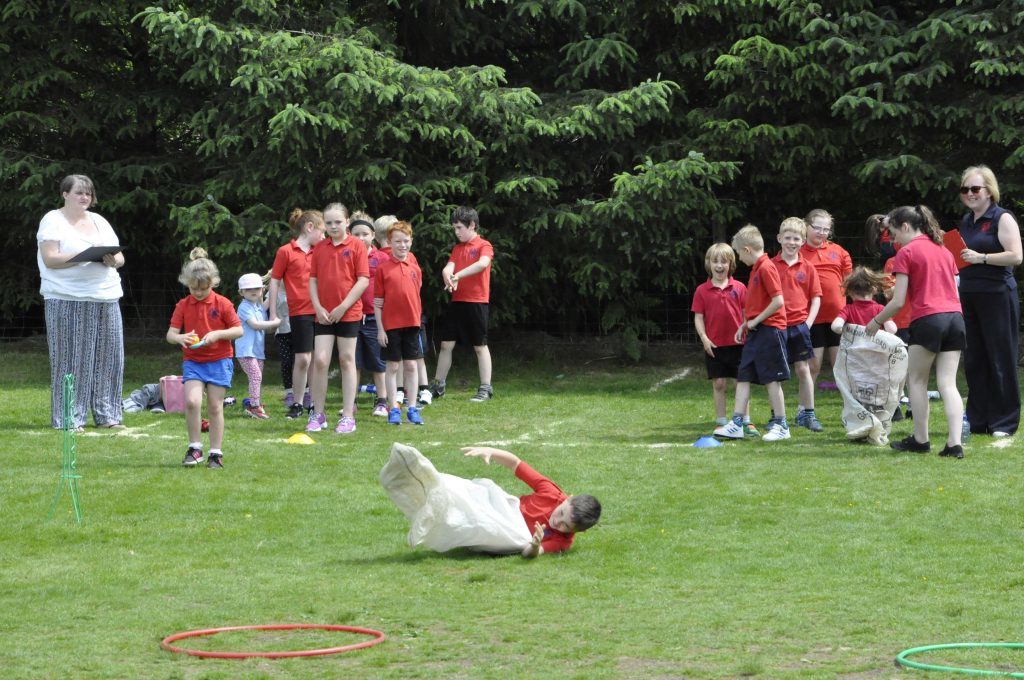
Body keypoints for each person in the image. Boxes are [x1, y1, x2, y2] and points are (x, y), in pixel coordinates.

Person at [380, 443, 602, 557]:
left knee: (480, 525)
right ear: (567, 499)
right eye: (561, 514)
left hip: (509, 531)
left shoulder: (563, 541)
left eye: (565, 526)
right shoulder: (551, 493)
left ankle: (438, 518)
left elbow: (528, 552)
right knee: (465, 490)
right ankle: (412, 472)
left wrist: (534, 545)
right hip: (505, 507)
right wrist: (490, 451)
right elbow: (516, 464)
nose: (558, 522)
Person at [866, 206, 965, 459]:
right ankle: (954, 444)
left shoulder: (907, 252)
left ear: (906, 227)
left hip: (929, 319)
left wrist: (876, 321)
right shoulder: (944, 249)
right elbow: (955, 288)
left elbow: (898, 301)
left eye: (893, 232)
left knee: (916, 381)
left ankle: (921, 440)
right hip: (955, 318)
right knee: (948, 383)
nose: (891, 238)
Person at [37, 174, 126, 431]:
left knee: (110, 358)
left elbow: (119, 256)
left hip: (106, 295)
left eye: (88, 193)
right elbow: (51, 258)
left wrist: (113, 260)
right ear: (65, 194)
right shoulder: (52, 220)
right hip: (66, 296)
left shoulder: (99, 220)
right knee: (70, 360)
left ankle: (107, 415)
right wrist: (83, 256)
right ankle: (69, 418)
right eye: (79, 192)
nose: (85, 197)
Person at [956, 165, 1022, 437]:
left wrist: (982, 258)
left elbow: (1016, 256)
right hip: (969, 295)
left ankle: (1004, 421)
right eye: (965, 189)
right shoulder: (966, 221)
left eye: (975, 189)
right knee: (975, 358)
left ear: (989, 191)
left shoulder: (1001, 217)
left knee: (1000, 357)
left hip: (996, 295)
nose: (970, 194)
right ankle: (979, 418)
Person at [166, 248, 243, 468]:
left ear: (213, 283)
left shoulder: (223, 304)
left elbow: (238, 330)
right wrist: (180, 337)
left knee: (215, 407)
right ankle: (195, 448)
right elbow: (170, 335)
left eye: (203, 288)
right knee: (192, 402)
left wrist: (218, 334)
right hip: (193, 361)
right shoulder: (183, 305)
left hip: (219, 360)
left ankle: (215, 454)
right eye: (193, 288)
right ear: (187, 283)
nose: (198, 293)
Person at [712, 225, 791, 442]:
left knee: (772, 379)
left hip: (771, 330)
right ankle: (737, 423)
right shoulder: (756, 269)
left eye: (738, 253)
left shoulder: (766, 268)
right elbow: (758, 303)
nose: (739, 258)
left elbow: (778, 301)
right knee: (744, 374)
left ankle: (782, 425)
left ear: (747, 249)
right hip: (756, 331)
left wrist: (755, 321)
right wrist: (746, 324)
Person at [307, 202, 369, 434]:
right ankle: (318, 414)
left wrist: (343, 307)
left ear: (347, 223)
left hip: (348, 312)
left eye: (338, 222)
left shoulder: (357, 246)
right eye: (329, 223)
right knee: (321, 361)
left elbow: (362, 279)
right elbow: (313, 280)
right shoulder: (320, 248)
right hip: (323, 313)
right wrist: (317, 306)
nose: (333, 226)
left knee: (346, 360)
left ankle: (347, 416)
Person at [430, 206, 495, 402]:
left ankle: (485, 388)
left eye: (459, 227)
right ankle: (438, 386)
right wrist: (446, 273)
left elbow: (482, 264)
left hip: (477, 303)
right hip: (457, 301)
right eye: (454, 228)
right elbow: (449, 266)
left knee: (479, 346)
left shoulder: (484, 245)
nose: (456, 232)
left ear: (472, 225)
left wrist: (458, 274)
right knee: (445, 345)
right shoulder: (457, 248)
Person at [691, 243, 756, 435]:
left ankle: (745, 420)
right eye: (715, 261)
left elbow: (747, 313)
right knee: (719, 383)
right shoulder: (702, 290)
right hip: (714, 345)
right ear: (709, 264)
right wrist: (704, 338)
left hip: (738, 344)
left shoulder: (740, 287)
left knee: (741, 382)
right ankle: (721, 421)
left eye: (724, 261)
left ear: (731, 264)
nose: (719, 265)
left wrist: (746, 329)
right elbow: (698, 317)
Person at [269, 209, 324, 418]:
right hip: (300, 312)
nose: (324, 237)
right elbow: (274, 281)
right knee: (302, 359)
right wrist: (274, 312)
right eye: (322, 232)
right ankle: (298, 403)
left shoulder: (320, 251)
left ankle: (314, 403)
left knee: (318, 359)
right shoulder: (286, 251)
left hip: (321, 311)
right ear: (310, 228)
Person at [772, 217, 823, 432]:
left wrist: (808, 324)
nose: (792, 242)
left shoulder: (808, 267)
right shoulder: (770, 266)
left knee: (804, 369)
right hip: (775, 326)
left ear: (803, 241)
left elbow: (816, 297)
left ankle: (808, 414)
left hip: (799, 326)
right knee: (777, 373)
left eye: (796, 239)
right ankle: (776, 416)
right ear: (779, 238)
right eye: (788, 238)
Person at [374, 220, 426, 425]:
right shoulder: (383, 269)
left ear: (411, 241)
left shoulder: (415, 268)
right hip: (390, 326)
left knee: (411, 366)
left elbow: (416, 294)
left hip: (412, 324)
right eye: (397, 241)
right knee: (393, 366)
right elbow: (378, 303)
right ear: (389, 242)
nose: (402, 245)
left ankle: (411, 407)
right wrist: (380, 329)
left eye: (406, 241)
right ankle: (393, 407)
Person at [802, 209, 853, 390]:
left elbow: (851, 282)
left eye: (826, 229)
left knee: (840, 365)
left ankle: (850, 406)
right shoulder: (798, 252)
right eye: (817, 227)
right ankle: (805, 407)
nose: (821, 232)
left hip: (837, 318)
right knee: (813, 366)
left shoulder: (838, 251)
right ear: (806, 226)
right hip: (811, 318)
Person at [350, 213, 389, 417]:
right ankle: (351, 402)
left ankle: (382, 401)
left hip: (375, 317)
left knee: (378, 361)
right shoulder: (346, 256)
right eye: (356, 234)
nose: (361, 238)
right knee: (352, 361)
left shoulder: (382, 257)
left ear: (373, 235)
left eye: (365, 234)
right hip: (352, 317)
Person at [235, 273, 281, 419]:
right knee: (256, 376)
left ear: (262, 289)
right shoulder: (244, 307)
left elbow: (267, 303)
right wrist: (274, 323)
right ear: (241, 293)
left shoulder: (259, 307)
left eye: (256, 288)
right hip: (245, 351)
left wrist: (276, 282)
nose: (253, 291)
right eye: (248, 289)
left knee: (256, 378)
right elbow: (255, 325)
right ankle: (254, 406)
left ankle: (254, 404)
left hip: (257, 351)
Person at [831, 267, 898, 335]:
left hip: (854, 345)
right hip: (875, 345)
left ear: (850, 292)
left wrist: (841, 331)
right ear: (874, 290)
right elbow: (892, 329)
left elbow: (836, 326)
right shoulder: (880, 309)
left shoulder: (848, 309)